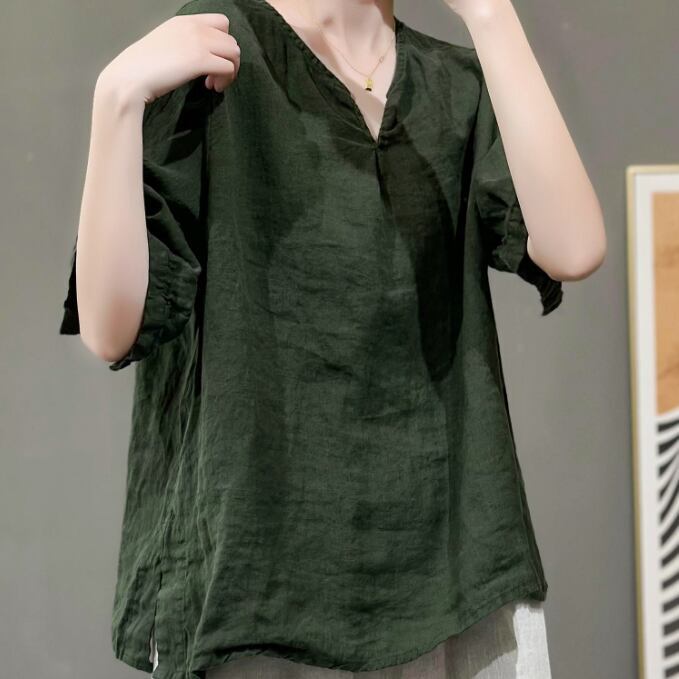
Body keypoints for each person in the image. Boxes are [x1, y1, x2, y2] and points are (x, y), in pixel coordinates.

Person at [58, 0, 606, 677]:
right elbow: (110, 329)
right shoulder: (216, 48)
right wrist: (116, 100)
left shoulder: (455, 82)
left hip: (454, 566)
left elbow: (574, 248)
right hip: (259, 579)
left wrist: (490, 14)